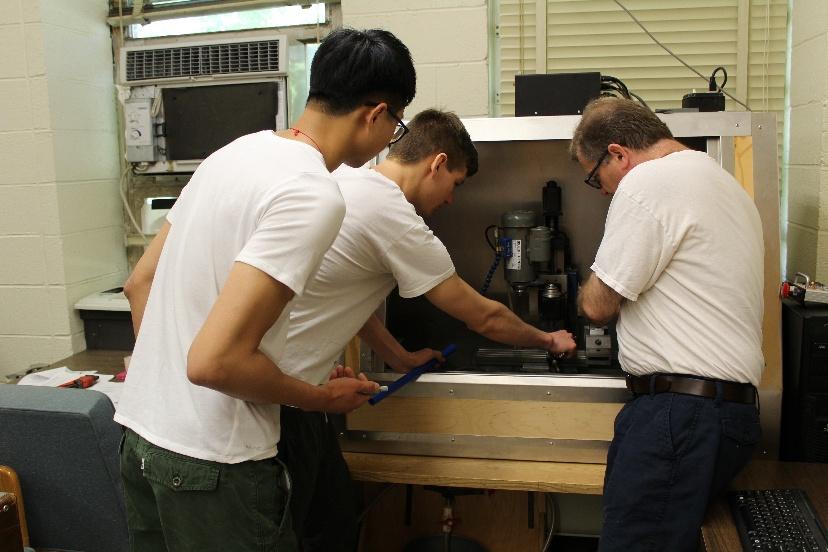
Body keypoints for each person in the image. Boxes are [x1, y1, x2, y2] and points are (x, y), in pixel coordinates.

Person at [114, 28, 417, 551]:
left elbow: (138, 282)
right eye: (397, 124)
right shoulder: (313, 194)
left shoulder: (232, 154)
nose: (391, 136)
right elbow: (215, 363)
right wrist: (319, 397)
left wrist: (171, 397)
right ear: (376, 114)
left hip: (141, 441)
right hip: (216, 466)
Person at [276, 108, 578, 551]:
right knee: (307, 535)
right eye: (456, 183)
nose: (452, 199)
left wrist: (399, 358)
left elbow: (344, 299)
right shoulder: (394, 217)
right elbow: (484, 317)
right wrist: (548, 339)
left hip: (299, 397)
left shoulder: (349, 182)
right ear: (437, 163)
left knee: (332, 523)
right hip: (283, 403)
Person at [570, 97, 764, 551]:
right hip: (723, 414)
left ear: (618, 154)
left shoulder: (649, 182)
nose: (601, 190)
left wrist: (586, 286)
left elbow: (599, 304)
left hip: (680, 415)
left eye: (595, 176)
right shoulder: (723, 182)